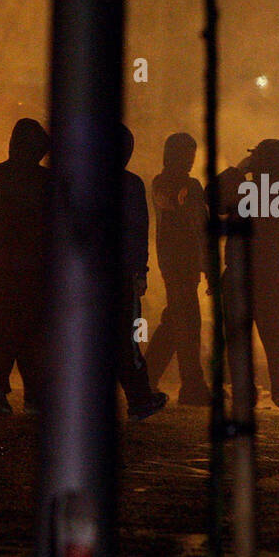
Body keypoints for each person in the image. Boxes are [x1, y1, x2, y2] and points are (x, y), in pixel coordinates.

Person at [219, 139, 279, 417]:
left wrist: (238, 170)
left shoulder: (249, 188)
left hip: (245, 275)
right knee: (276, 339)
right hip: (272, 277)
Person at [0, 118, 51, 415]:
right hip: (35, 266)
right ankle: (33, 396)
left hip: (3, 263)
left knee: (1, 325)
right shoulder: (45, 181)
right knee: (32, 329)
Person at [144, 133, 211, 406]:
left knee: (176, 322)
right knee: (187, 324)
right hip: (177, 265)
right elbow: (194, 223)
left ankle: (146, 378)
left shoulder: (180, 185)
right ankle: (192, 387)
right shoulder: (167, 185)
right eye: (185, 154)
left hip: (180, 264)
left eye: (192, 154)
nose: (190, 160)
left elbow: (200, 226)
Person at [118, 125, 169, 420]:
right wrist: (140, 272)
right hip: (121, 276)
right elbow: (139, 232)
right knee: (126, 339)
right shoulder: (131, 184)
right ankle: (140, 400)